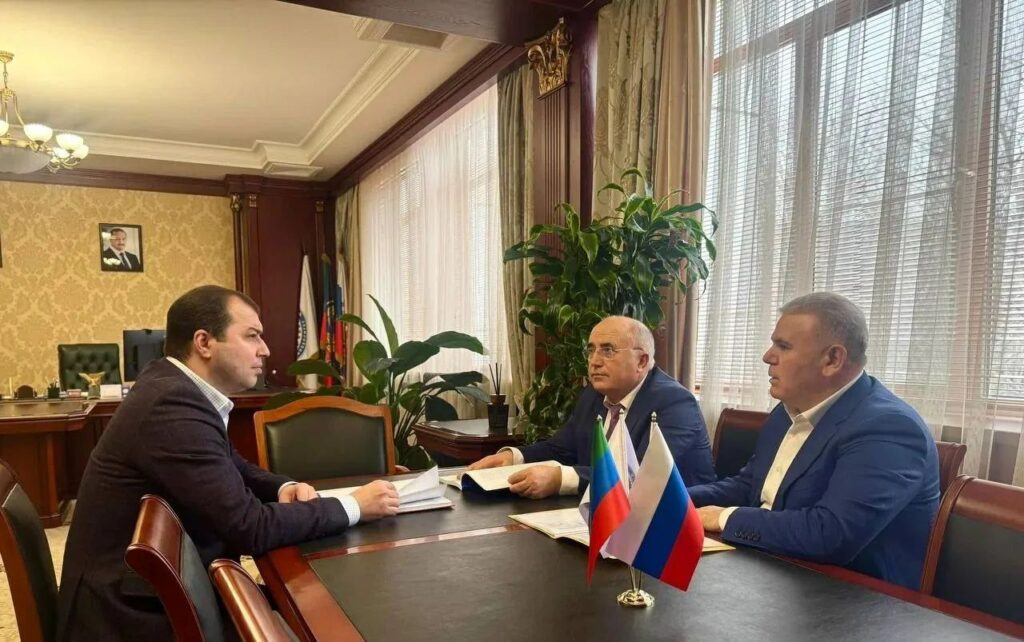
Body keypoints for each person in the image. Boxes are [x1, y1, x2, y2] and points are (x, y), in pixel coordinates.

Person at [57, 285, 401, 641]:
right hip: (129, 615)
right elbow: (250, 528)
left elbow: (231, 462)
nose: (265, 349)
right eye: (252, 336)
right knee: (330, 612)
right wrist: (352, 506)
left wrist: (282, 487)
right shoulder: (170, 403)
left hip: (152, 590)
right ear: (204, 343)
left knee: (312, 603)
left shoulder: (170, 386)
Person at [690, 292, 939, 589]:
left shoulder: (888, 428)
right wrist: (673, 498)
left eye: (783, 346)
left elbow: (831, 534)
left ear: (833, 359)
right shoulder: (788, 410)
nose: (768, 356)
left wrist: (724, 518)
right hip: (770, 569)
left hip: (850, 596)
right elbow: (749, 487)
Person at [468, 315, 715, 498]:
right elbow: (560, 449)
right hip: (601, 515)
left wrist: (562, 478)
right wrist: (513, 457)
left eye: (608, 350)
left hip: (675, 527)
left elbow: (639, 477)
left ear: (642, 361)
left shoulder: (675, 403)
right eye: (591, 350)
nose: (594, 361)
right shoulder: (593, 396)